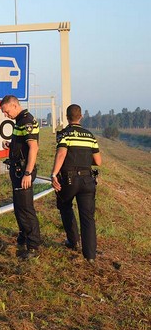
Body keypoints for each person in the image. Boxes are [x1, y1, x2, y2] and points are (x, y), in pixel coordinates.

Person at [50, 104, 102, 264]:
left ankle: (73, 241)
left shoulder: (64, 134)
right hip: (87, 180)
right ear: (80, 117)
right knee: (87, 217)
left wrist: (53, 174)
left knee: (65, 206)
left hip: (69, 179)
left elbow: (62, 153)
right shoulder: (90, 136)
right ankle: (90, 255)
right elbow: (98, 161)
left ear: (67, 117)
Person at [0, 94, 41, 259]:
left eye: (6, 111)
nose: (5, 115)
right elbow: (24, 144)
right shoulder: (20, 121)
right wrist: (12, 145)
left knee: (25, 209)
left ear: (14, 105)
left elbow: (34, 148)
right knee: (19, 208)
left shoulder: (26, 121)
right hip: (18, 170)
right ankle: (23, 237)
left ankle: (33, 246)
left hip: (23, 171)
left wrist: (27, 173)